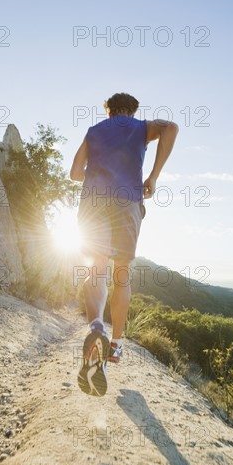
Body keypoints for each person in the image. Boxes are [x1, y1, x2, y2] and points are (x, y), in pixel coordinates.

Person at [70, 92, 179, 396]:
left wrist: (97, 176)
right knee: (122, 274)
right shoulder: (140, 127)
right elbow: (171, 128)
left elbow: (74, 172)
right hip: (126, 204)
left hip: (93, 201)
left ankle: (95, 328)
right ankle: (115, 346)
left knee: (96, 268)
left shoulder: (94, 132)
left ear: (108, 112)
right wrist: (153, 177)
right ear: (132, 111)